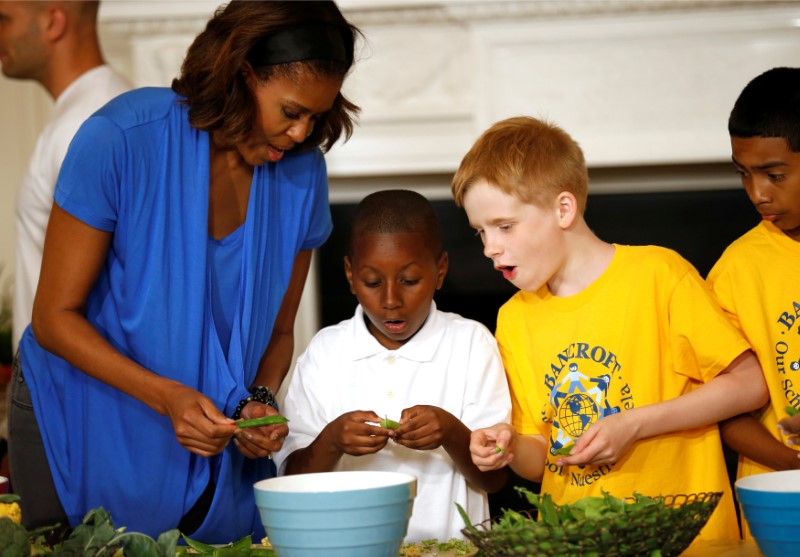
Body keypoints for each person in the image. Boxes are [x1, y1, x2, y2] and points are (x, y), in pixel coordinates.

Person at [8, 0, 360, 543]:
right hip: (77, 416)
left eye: (316, 116)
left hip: (209, 442)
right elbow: (54, 318)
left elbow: (282, 331)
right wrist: (167, 396)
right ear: (241, 74)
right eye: (291, 112)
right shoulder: (120, 138)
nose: (300, 133)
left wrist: (260, 405)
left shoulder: (302, 174)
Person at [452, 116, 769, 541]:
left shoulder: (658, 274)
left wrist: (633, 424)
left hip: (687, 540)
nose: (490, 247)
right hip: (576, 543)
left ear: (563, 209)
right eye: (480, 232)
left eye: (505, 226)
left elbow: (750, 384)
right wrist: (507, 445)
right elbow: (538, 457)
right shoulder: (514, 318)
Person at [273, 189, 511, 542]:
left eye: (409, 281)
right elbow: (290, 481)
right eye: (372, 282)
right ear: (350, 275)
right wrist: (333, 440)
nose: (390, 300)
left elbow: (494, 478)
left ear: (440, 270)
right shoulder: (326, 352)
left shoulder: (472, 344)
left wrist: (450, 431)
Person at [0, 0, 131, 485]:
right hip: (70, 400)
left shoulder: (87, 127)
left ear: (53, 20)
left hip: (71, 407)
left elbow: (116, 291)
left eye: (3, 19)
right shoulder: (99, 111)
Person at [706, 66, 800, 538]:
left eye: (774, 174)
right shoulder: (736, 270)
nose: (757, 193)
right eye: (744, 175)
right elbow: (722, 412)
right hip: (778, 503)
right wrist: (793, 463)